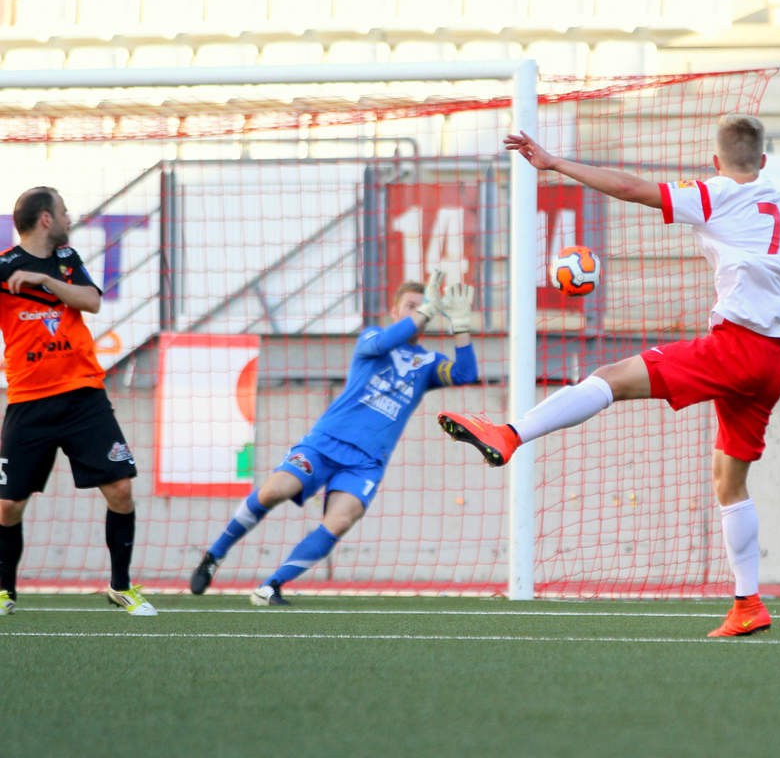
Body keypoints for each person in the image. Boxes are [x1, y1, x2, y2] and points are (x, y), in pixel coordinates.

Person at [438, 115, 780, 637]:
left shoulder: (713, 193)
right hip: (776, 359)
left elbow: (630, 188)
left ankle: (508, 435)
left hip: (736, 345)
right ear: (763, 161)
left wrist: (554, 164)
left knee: (611, 377)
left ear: (715, 163)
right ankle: (748, 604)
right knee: (728, 481)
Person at [190, 271, 477, 605]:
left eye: (425, 304)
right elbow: (385, 342)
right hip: (325, 444)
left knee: (340, 521)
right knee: (274, 490)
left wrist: (460, 323)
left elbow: (465, 373)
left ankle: (271, 586)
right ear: (395, 312)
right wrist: (427, 309)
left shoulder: (428, 363)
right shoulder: (373, 338)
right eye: (411, 305)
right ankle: (214, 555)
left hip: (367, 463)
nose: (419, 310)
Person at [0, 187, 153, 616]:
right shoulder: (4, 267)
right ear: (46, 219)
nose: (70, 217)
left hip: (84, 396)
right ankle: (4, 591)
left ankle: (120, 587)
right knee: (8, 505)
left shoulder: (67, 261)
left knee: (121, 489)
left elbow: (92, 302)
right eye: (64, 211)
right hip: (29, 401)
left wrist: (46, 282)